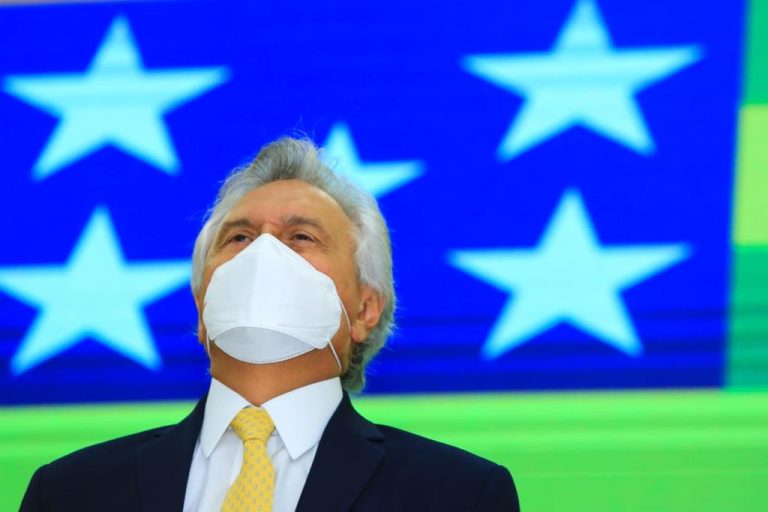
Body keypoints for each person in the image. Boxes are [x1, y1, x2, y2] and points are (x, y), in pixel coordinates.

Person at [19, 137, 520, 511]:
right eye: (239, 238)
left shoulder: (457, 495)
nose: (262, 254)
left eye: (301, 237)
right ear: (201, 306)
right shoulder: (68, 493)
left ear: (365, 310)